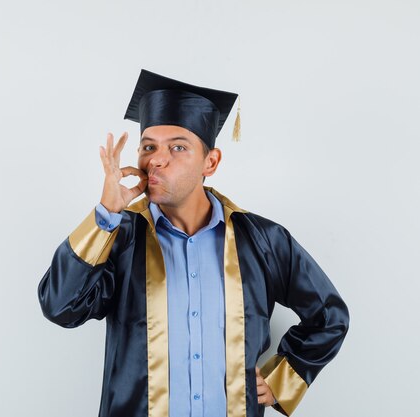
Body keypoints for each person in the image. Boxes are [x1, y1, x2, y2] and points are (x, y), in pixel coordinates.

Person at [38, 69, 349, 417]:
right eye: (148, 147)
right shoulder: (119, 237)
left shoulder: (262, 241)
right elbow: (60, 307)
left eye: (178, 147)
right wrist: (106, 212)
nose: (157, 159)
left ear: (210, 162)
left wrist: (283, 379)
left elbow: (329, 315)